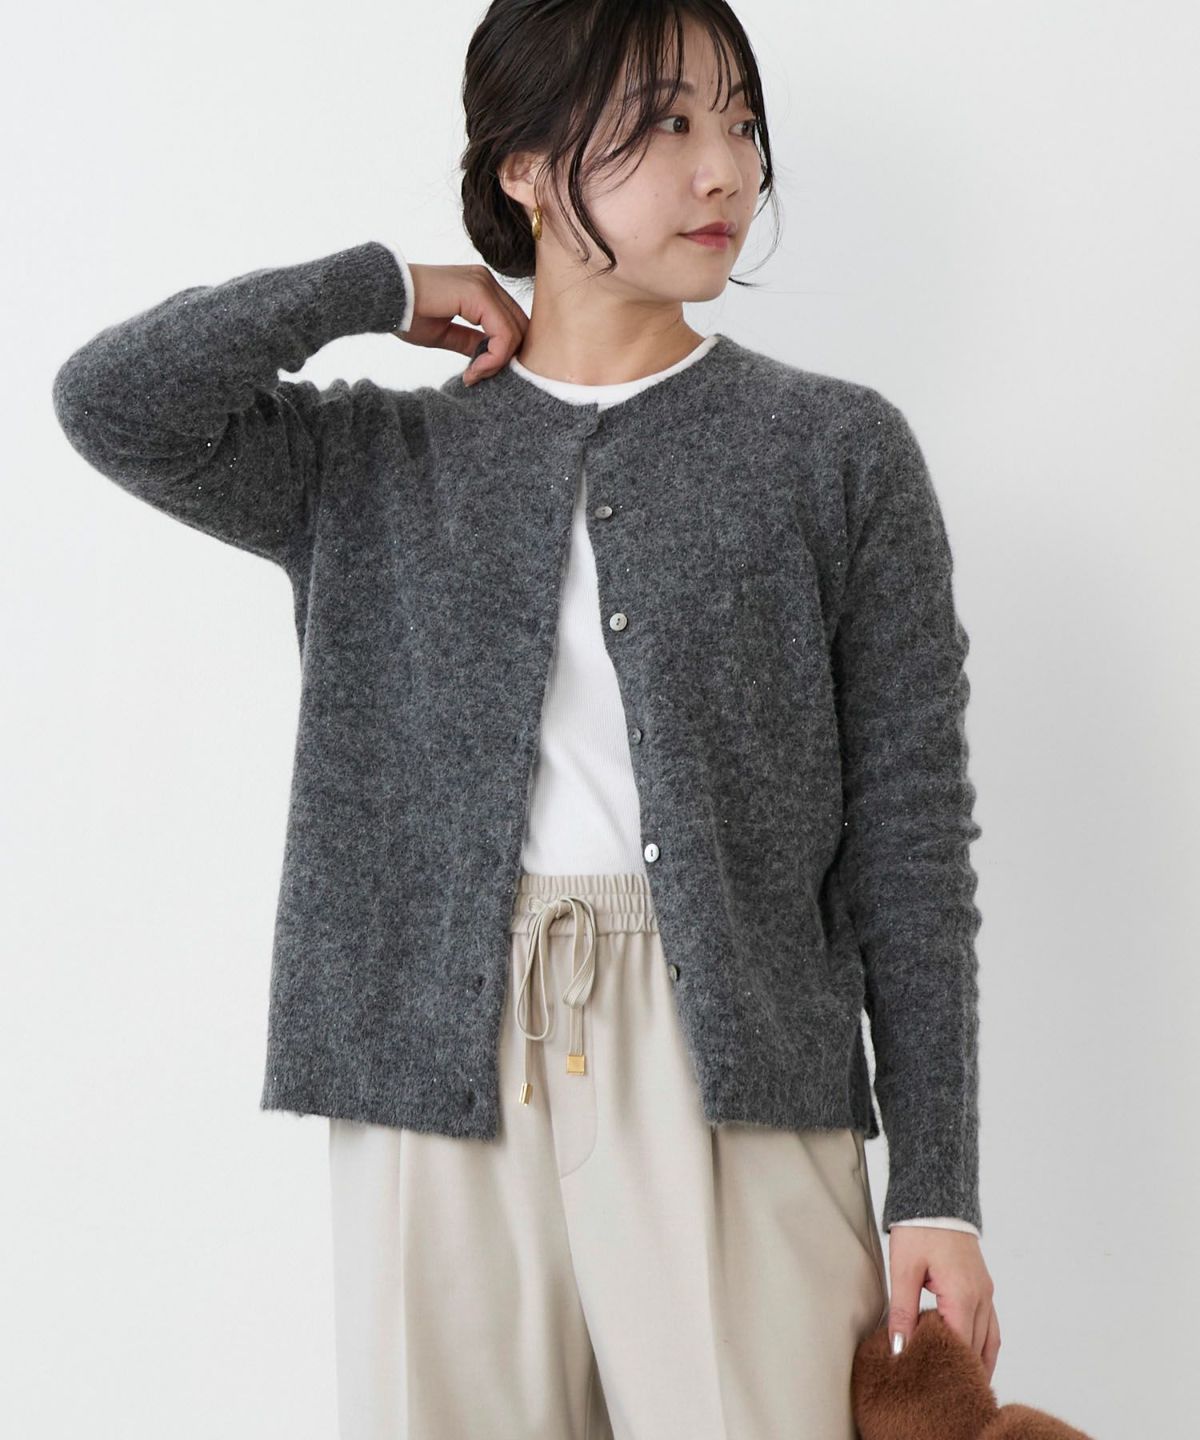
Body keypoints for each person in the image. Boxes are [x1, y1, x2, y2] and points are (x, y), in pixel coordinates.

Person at [51, 2, 998, 1435]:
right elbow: (113, 401)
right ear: (524, 166)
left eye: (742, 124)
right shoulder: (379, 457)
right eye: (666, 123)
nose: (725, 170)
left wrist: (939, 1186)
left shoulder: (834, 452)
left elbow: (912, 843)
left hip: (737, 1059)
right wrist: (373, 286)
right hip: (434, 1053)